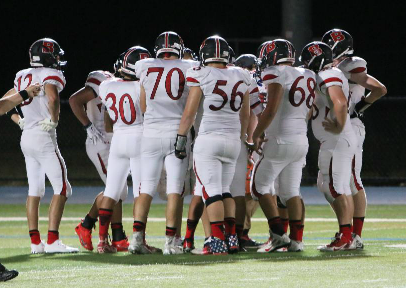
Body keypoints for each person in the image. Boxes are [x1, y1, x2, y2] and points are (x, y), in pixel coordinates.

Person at [176, 35, 251, 254]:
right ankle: (232, 238)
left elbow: (189, 113)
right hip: (233, 140)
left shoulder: (201, 73)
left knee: (211, 192)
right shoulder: (241, 74)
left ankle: (216, 240)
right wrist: (243, 136)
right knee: (225, 190)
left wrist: (180, 139)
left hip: (209, 139)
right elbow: (245, 114)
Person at [130, 31, 199, 255]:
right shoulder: (190, 67)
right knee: (174, 190)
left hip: (149, 133)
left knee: (146, 188)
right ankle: (172, 242)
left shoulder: (144, 65)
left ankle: (137, 240)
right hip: (176, 132)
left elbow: (142, 104)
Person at [322, 29, 387, 249]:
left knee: (350, 181)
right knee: (345, 181)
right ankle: (350, 234)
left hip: (350, 127)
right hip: (345, 126)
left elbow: (379, 89)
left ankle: (352, 235)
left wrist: (358, 109)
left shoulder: (350, 64)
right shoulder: (338, 67)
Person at [13, 38, 78, 253]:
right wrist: (54, 119)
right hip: (43, 136)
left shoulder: (22, 76)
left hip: (27, 137)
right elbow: (52, 97)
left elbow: (7, 100)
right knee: (62, 188)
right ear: (48, 56)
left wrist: (19, 120)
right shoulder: (51, 75)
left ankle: (35, 243)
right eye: (56, 55)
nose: (58, 59)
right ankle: (52, 241)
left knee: (35, 190)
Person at [251, 39, 315, 252]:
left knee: (258, 186)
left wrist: (257, 133)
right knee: (290, 192)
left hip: (279, 139)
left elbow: (271, 108)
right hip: (300, 140)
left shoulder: (275, 72)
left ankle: (278, 234)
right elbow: (309, 111)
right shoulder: (308, 74)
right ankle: (296, 241)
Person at [69, 55, 129, 252]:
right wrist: (87, 126)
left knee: (118, 190)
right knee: (116, 189)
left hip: (114, 141)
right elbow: (74, 100)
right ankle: (116, 237)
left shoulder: (126, 86)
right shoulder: (102, 79)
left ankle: (87, 226)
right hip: (99, 141)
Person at [301, 41, 357, 251]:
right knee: (329, 186)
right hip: (336, 140)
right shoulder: (326, 75)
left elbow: (340, 102)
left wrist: (339, 125)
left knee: (334, 187)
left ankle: (345, 236)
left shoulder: (328, 75)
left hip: (337, 140)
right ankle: (347, 234)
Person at [95, 46, 151, 253]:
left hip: (118, 139)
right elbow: (146, 110)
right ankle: (138, 241)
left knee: (111, 190)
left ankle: (102, 242)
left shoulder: (106, 85)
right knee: (139, 192)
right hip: (139, 138)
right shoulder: (140, 86)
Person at [232, 54, 263, 250]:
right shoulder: (250, 82)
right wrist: (250, 139)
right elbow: (250, 114)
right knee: (248, 191)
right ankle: (239, 234)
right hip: (249, 141)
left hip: (241, 140)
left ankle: (236, 233)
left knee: (251, 191)